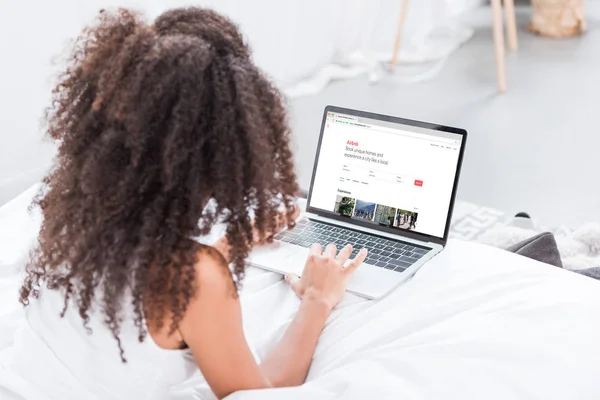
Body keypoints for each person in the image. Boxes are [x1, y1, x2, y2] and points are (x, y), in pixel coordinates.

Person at [0, 8, 367, 400]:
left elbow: (141, 282)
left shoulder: (69, 211)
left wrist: (234, 244)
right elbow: (259, 393)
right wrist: (317, 299)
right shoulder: (194, 281)